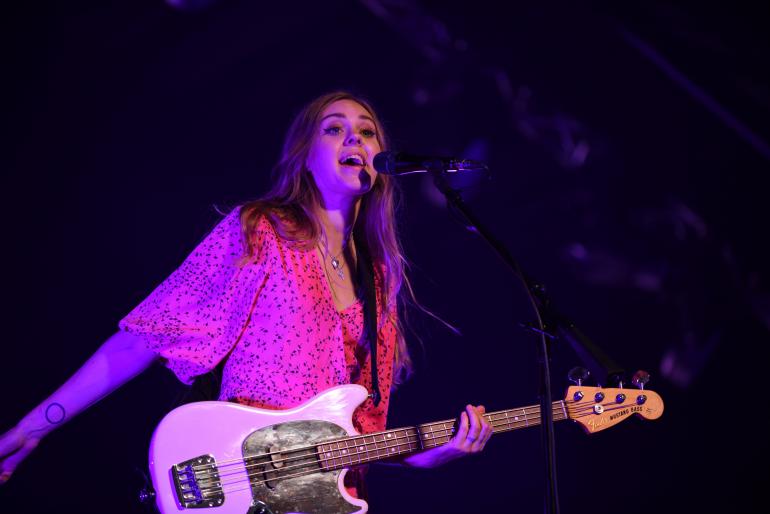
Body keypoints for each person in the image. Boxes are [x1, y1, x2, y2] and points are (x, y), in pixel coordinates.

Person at [0, 91, 492, 501]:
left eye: (366, 131)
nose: (355, 139)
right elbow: (146, 337)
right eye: (334, 128)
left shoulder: (380, 278)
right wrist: (34, 426)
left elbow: (357, 438)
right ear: (303, 154)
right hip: (241, 484)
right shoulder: (263, 231)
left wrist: (434, 453)